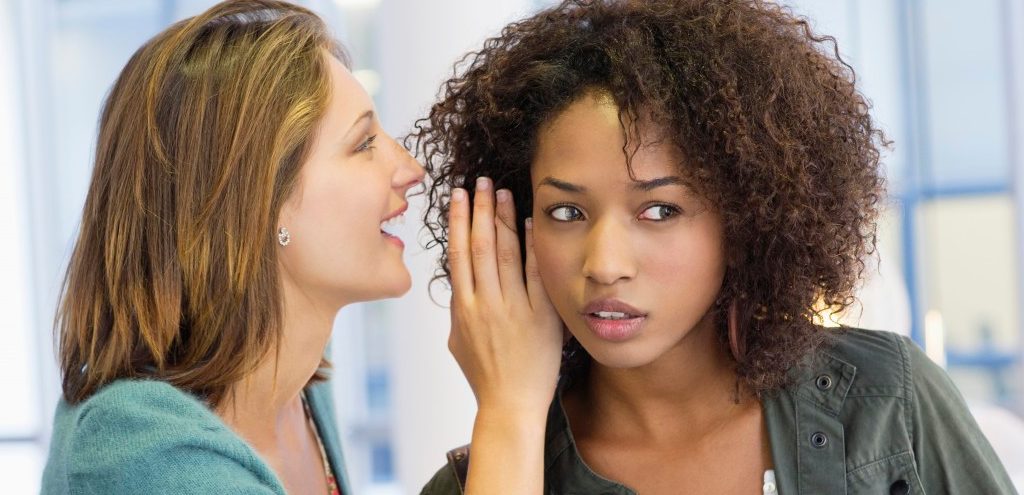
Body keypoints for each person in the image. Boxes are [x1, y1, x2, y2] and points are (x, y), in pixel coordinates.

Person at [412, 0, 1017, 493]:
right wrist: (511, 415)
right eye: (566, 211)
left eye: (660, 210)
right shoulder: (489, 475)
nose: (604, 265)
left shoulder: (887, 402)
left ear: (748, 215)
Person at [40, 1, 424, 493]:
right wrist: (508, 405)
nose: (411, 168)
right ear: (261, 203)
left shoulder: (296, 377)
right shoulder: (145, 453)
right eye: (364, 144)